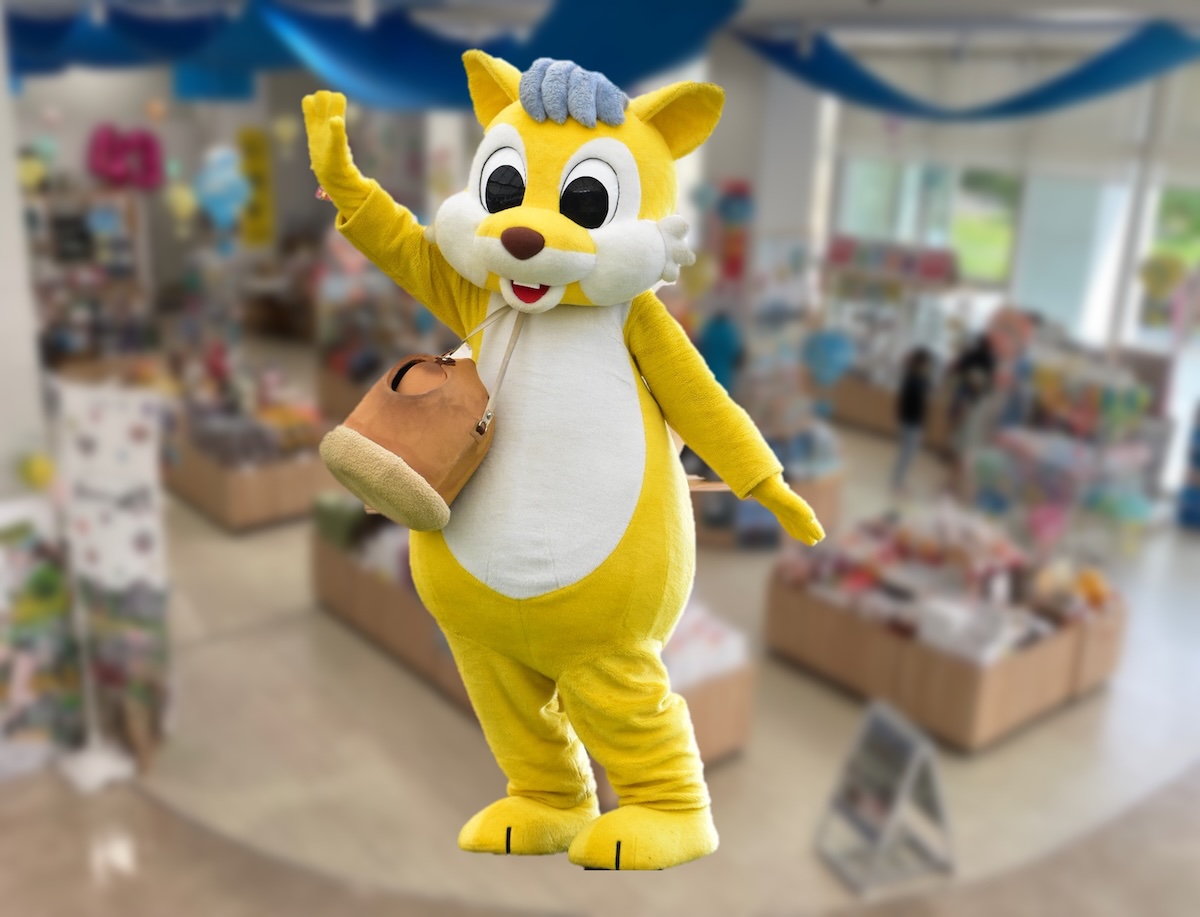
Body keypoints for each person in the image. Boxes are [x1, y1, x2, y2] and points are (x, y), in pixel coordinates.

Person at [892, 347, 934, 493]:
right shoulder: (915, 380)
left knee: (908, 454)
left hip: (911, 421)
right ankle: (898, 483)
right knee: (907, 455)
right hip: (912, 422)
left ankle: (899, 481)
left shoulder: (914, 378)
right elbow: (917, 401)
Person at [696, 310, 745, 394]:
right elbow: (737, 357)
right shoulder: (729, 331)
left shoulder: (709, 329)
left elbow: (700, 349)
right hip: (724, 376)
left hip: (708, 374)